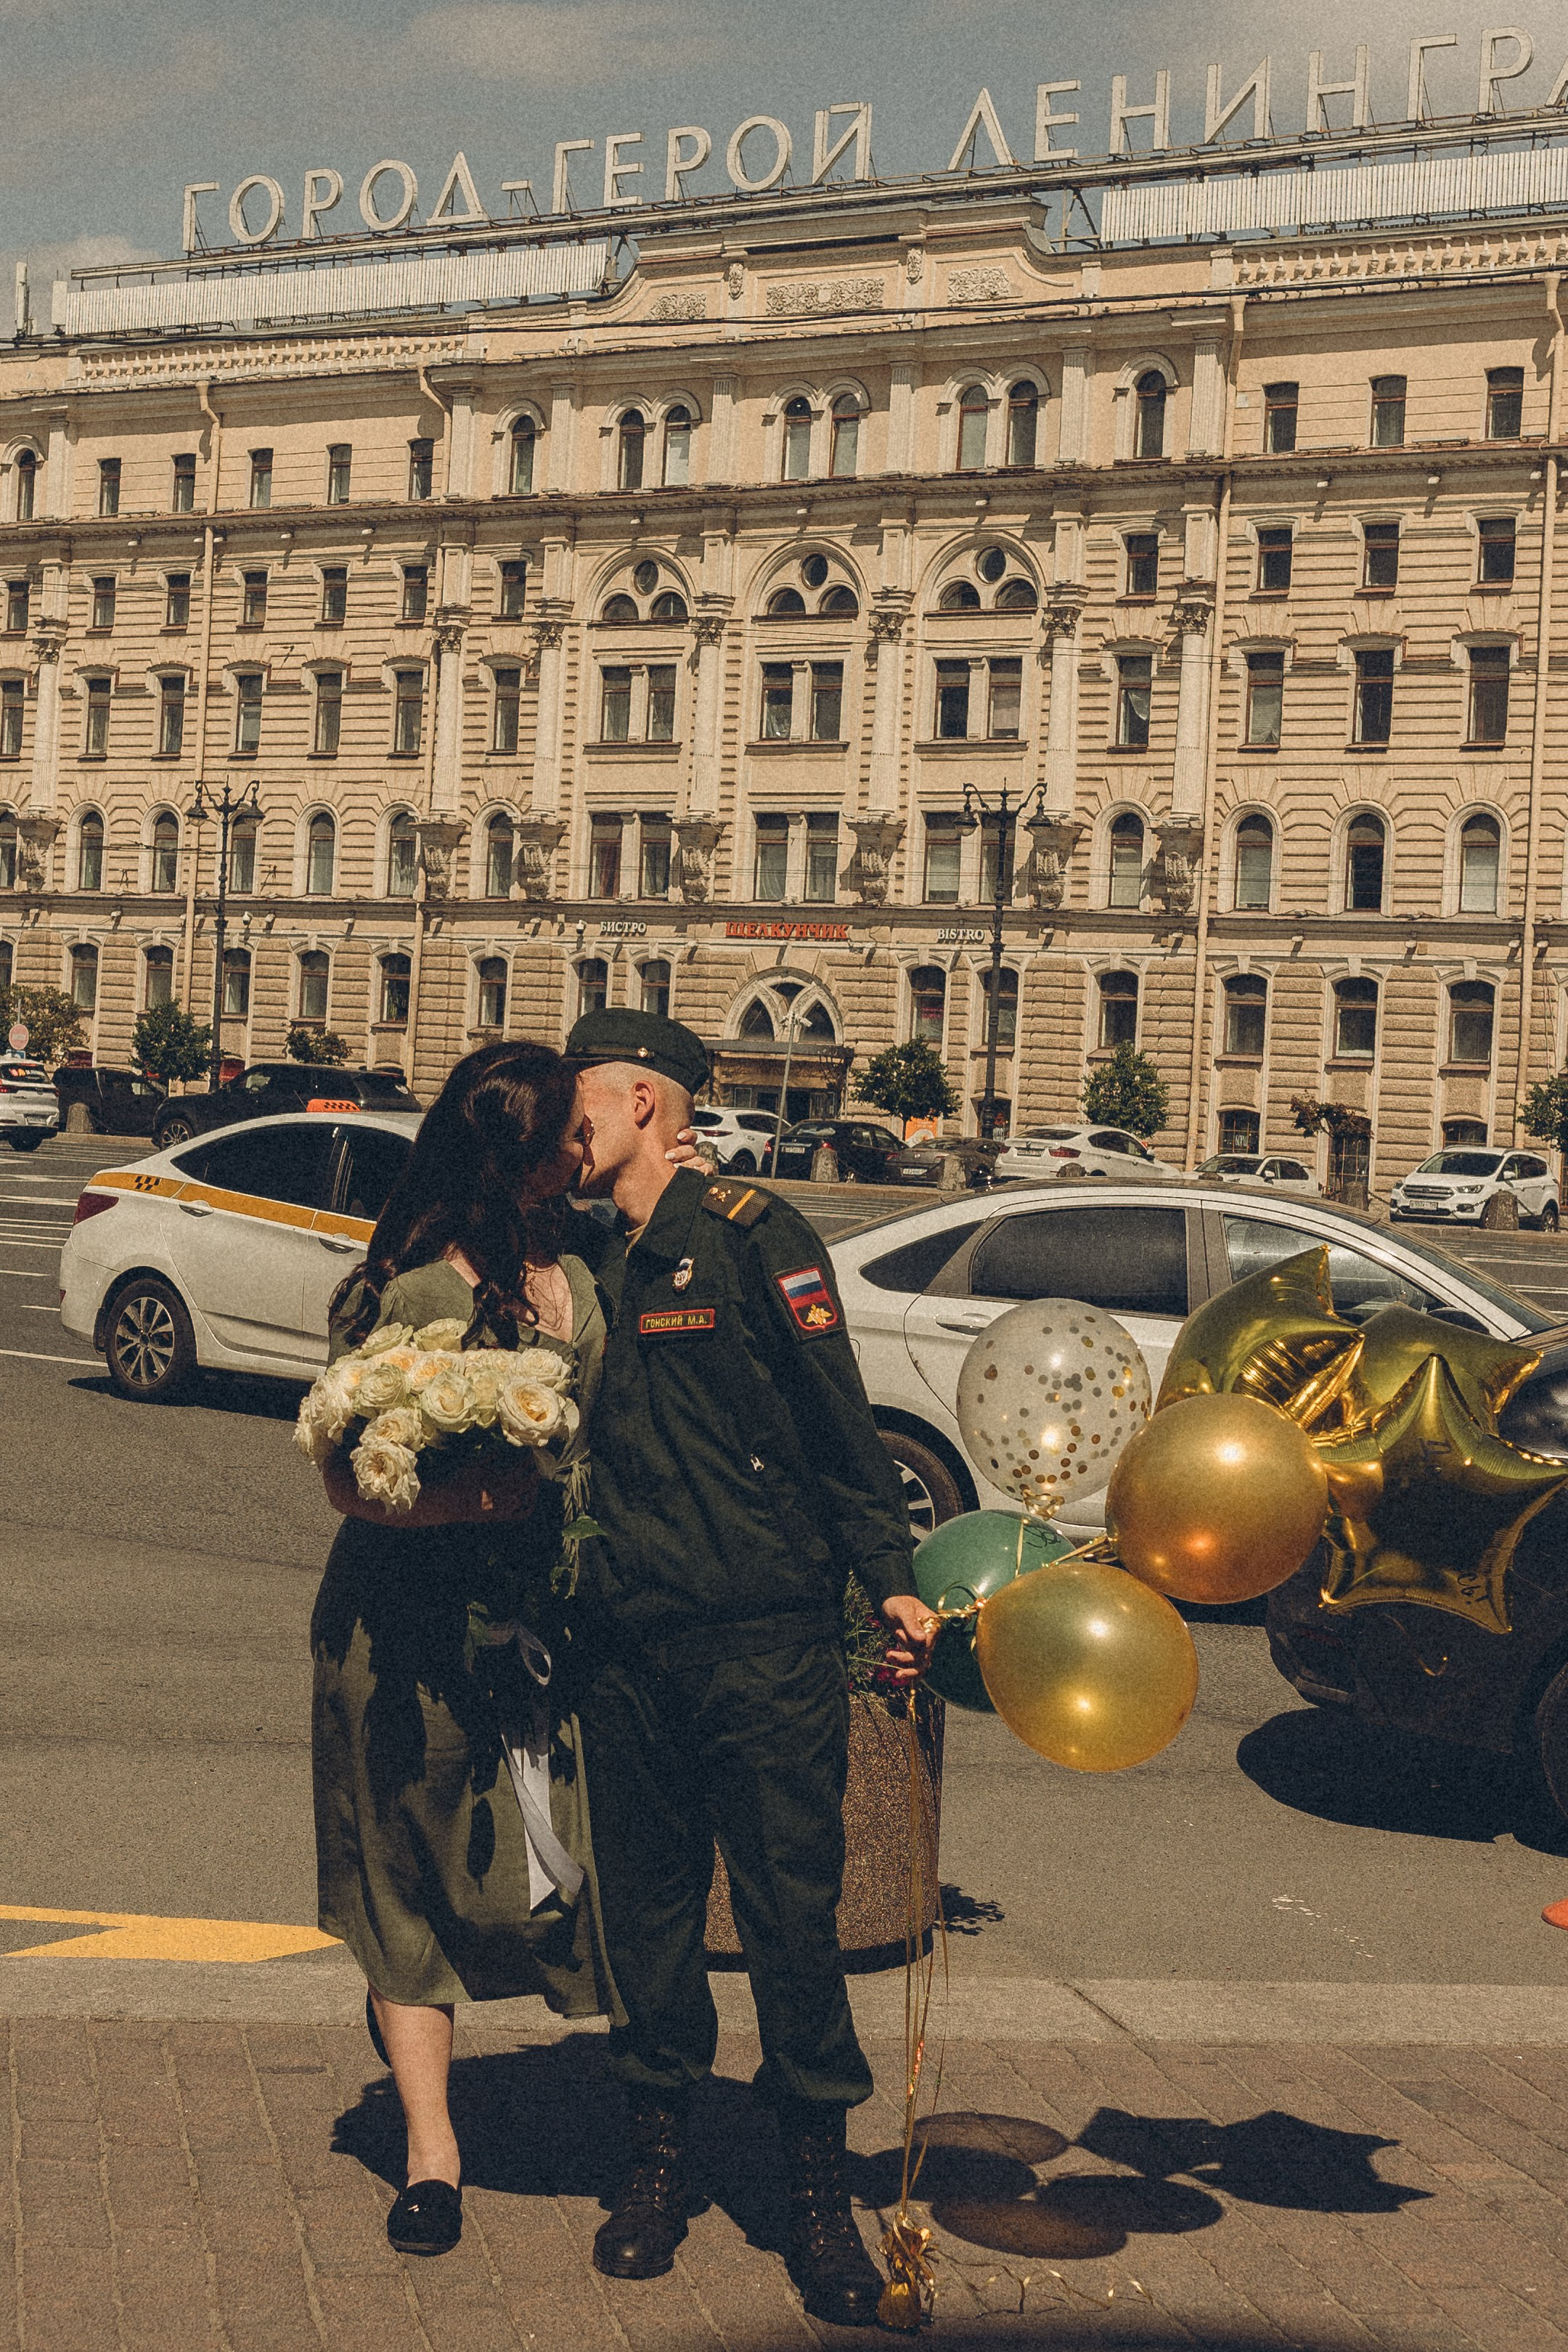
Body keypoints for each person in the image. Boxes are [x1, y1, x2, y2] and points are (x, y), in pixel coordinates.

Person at [563, 1007, 940, 2330]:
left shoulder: (748, 1235)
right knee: (649, 1919)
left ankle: (814, 2191)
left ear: (648, 1107)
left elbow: (841, 1424)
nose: (572, 1127)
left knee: (793, 1916)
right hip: (620, 1645)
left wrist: (890, 1576)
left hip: (762, 1639)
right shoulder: (574, 1252)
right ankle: (656, 2167)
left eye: (586, 1105)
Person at [311, 1040, 701, 2258]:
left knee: (565, 1867)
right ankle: (432, 2151)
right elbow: (346, 1476)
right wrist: (488, 1506)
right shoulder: (408, 1288)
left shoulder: (584, 1262)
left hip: (556, 1622)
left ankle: (646, 2117)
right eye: (563, 1144)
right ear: (516, 1159)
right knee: (401, 1877)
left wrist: (675, 1182)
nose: (583, 1156)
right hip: (406, 1631)